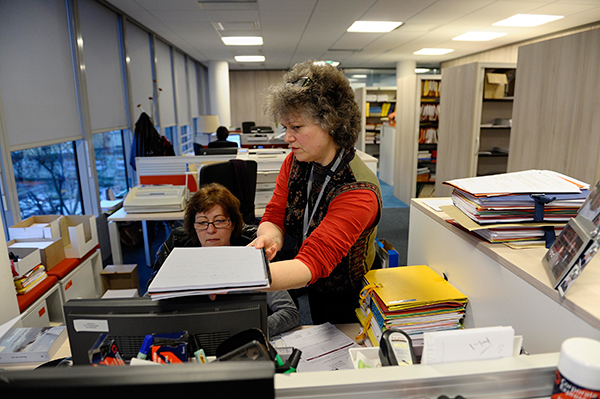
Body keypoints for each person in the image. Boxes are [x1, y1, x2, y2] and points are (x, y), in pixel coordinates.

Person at [249, 60, 382, 324]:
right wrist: (268, 238)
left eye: (296, 127)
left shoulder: (358, 191)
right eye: (285, 127)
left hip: (350, 295)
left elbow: (315, 261)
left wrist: (242, 280)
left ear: (331, 123)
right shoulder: (296, 161)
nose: (287, 138)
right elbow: (275, 214)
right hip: (308, 278)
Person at [147, 183, 300, 336]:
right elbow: (145, 305)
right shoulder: (179, 262)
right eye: (202, 222)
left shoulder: (252, 258)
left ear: (232, 224)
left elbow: (290, 313)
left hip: (243, 344)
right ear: (193, 227)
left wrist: (248, 332)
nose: (211, 230)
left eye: (219, 221)